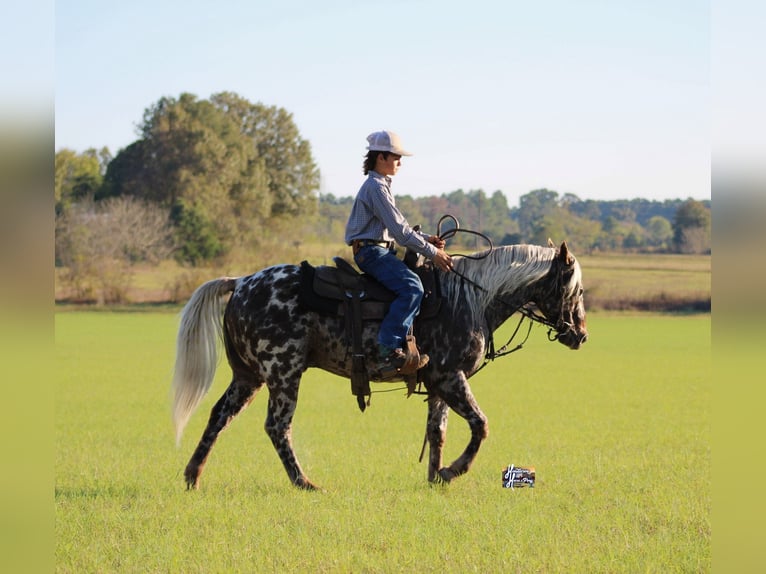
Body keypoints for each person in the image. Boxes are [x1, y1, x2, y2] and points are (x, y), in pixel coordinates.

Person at [345, 130, 453, 373]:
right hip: (371, 253)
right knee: (413, 287)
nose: (400, 162)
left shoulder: (380, 185)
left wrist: (427, 240)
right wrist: (433, 253)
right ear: (380, 157)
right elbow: (401, 233)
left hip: (377, 250)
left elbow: (399, 228)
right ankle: (388, 350)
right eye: (396, 157)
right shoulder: (375, 187)